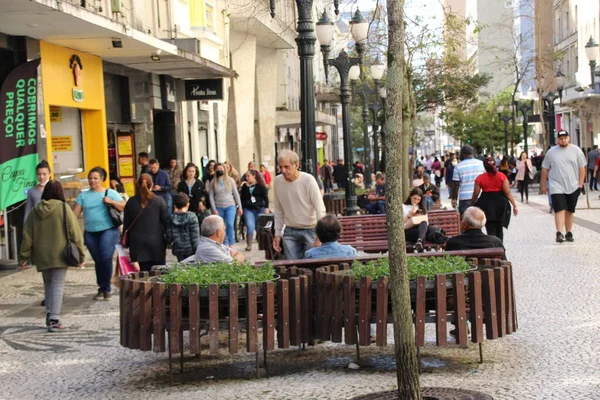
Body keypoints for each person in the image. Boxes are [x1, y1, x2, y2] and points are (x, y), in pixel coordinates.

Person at [20, 180, 85, 332]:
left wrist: (23, 256)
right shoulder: (64, 208)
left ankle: (49, 314)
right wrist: (81, 255)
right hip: (60, 254)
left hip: (42, 255)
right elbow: (75, 233)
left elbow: (27, 235)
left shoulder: (35, 210)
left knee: (48, 284)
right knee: (57, 285)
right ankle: (54, 319)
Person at [73, 167, 126, 300]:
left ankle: (106, 288)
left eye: (95, 178)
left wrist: (111, 201)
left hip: (108, 230)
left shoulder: (110, 192)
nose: (92, 181)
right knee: (98, 260)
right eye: (90, 178)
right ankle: (101, 287)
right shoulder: (83, 196)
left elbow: (124, 205)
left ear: (102, 179)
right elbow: (74, 215)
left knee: (105, 257)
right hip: (90, 232)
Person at [272, 150, 326, 260]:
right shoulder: (278, 182)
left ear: (297, 165)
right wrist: (277, 234)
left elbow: (320, 208)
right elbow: (278, 210)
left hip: (311, 229)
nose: (283, 170)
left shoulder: (308, 180)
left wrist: (320, 235)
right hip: (290, 230)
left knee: (311, 265)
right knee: (292, 266)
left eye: (287, 167)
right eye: (280, 167)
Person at [540, 130, 586, 243]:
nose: (563, 140)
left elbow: (582, 168)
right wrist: (543, 185)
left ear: (569, 138)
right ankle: (559, 233)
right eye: (561, 138)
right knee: (559, 209)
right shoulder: (551, 152)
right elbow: (545, 169)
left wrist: (580, 183)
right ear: (557, 139)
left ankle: (569, 232)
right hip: (556, 185)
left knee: (570, 210)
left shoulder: (576, 151)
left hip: (573, 185)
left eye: (565, 138)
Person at [122, 173, 171, 272]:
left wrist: (125, 240)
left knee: (144, 273)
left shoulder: (131, 202)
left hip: (137, 243)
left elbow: (126, 223)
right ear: (152, 184)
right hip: (157, 243)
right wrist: (169, 240)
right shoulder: (159, 201)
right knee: (159, 274)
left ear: (137, 185)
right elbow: (167, 221)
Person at [470, 157, 518, 241]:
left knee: (490, 230)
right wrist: (514, 205)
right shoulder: (501, 176)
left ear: (484, 167)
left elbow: (475, 194)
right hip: (500, 204)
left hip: (486, 204)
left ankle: (492, 249)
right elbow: (507, 192)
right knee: (499, 230)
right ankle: (500, 249)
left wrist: (471, 204)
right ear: (495, 164)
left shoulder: (480, 178)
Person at [208, 163, 243, 246]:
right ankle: (223, 243)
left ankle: (231, 243)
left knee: (230, 224)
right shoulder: (213, 182)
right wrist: (214, 209)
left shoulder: (230, 180)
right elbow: (211, 196)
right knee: (220, 226)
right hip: (218, 206)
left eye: (221, 169)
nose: (220, 171)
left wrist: (240, 207)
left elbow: (236, 194)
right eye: (218, 170)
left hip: (230, 205)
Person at [240, 169, 270, 251]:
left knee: (259, 227)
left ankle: (262, 242)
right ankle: (249, 245)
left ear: (254, 176)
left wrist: (266, 207)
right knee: (250, 226)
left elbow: (265, 197)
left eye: (248, 176)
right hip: (248, 209)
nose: (247, 178)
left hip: (259, 208)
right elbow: (242, 198)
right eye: (246, 176)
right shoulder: (244, 187)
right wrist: (241, 208)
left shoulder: (260, 186)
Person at [402, 188, 439, 252]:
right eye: (414, 198)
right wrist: (409, 215)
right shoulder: (403, 206)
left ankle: (419, 242)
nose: (416, 201)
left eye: (418, 199)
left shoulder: (421, 207)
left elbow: (426, 223)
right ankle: (421, 255)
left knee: (423, 224)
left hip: (420, 229)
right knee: (422, 234)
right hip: (407, 230)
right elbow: (400, 224)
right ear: (410, 196)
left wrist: (419, 217)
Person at [451, 145, 485, 215]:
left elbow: (456, 184)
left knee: (465, 221)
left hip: (464, 198)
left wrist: (454, 198)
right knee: (478, 220)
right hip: (480, 196)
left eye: (460, 153)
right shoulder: (481, 164)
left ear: (463, 154)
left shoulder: (458, 166)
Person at [168, 193, 200, 262]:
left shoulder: (172, 218)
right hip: (191, 250)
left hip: (178, 250)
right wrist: (197, 252)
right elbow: (195, 237)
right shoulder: (192, 217)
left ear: (175, 205)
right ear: (187, 205)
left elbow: (169, 237)